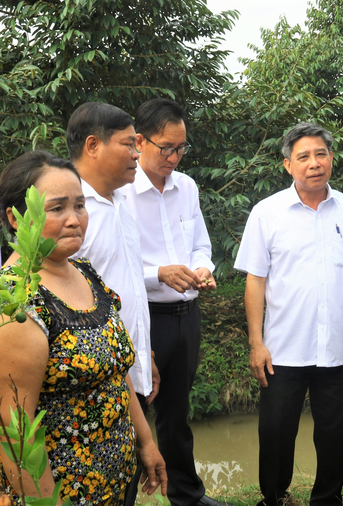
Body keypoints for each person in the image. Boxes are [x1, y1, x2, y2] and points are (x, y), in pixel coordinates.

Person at [0, 150, 167, 505]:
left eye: (80, 205)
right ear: (15, 218)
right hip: (61, 493)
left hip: (115, 479)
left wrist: (145, 440)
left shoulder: (84, 271)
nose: (75, 219)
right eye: (57, 208)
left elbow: (114, 369)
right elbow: (14, 432)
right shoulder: (17, 303)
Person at [234, 122, 343, 506]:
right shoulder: (267, 213)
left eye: (321, 154)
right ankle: (273, 497)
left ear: (331, 158)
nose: (314, 163)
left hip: (338, 349)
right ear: (288, 165)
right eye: (303, 156)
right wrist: (256, 342)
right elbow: (256, 282)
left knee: (335, 433)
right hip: (283, 349)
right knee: (276, 431)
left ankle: (327, 498)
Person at [118, 98, 221, 506]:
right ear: (139, 141)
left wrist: (202, 269)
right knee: (132, 413)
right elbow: (113, 269)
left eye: (181, 148)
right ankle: (123, 496)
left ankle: (187, 494)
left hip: (186, 315)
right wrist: (157, 273)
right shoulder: (121, 194)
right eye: (166, 148)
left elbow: (200, 244)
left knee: (177, 413)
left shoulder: (187, 187)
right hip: (145, 317)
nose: (174, 158)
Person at [65, 102, 160, 506]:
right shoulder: (70, 217)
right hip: (93, 385)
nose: (138, 153)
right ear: (93, 145)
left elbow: (128, 288)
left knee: (127, 483)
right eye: (128, 144)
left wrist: (144, 352)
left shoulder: (121, 203)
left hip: (127, 367)